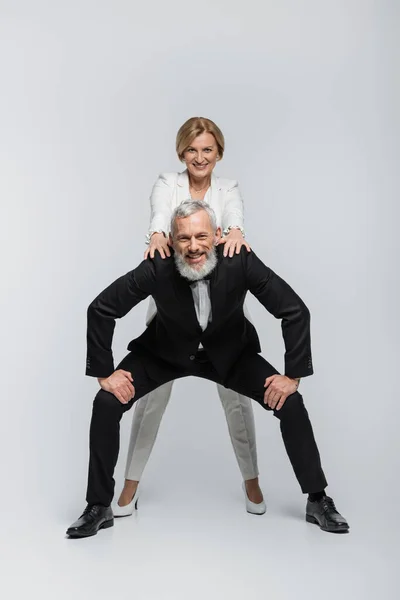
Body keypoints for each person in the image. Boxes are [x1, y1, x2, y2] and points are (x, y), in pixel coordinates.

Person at [66, 200, 349, 538]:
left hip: (230, 355)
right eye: (183, 239)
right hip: (164, 354)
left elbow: (294, 310)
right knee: (106, 402)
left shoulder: (240, 260)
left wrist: (292, 377)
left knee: (291, 403)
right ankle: (99, 506)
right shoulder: (156, 267)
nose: (194, 247)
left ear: (217, 235)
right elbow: (101, 309)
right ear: (172, 241)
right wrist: (104, 374)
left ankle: (317, 500)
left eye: (201, 236)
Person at [115, 117, 265, 517]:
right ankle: (129, 484)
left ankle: (252, 482)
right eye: (192, 150)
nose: (200, 157)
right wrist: (159, 235)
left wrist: (235, 230)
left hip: (223, 310)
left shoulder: (228, 188)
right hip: (172, 308)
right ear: (182, 152)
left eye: (208, 150)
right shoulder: (168, 182)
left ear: (218, 153)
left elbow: (234, 214)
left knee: (236, 398)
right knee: (151, 398)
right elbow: (159, 214)